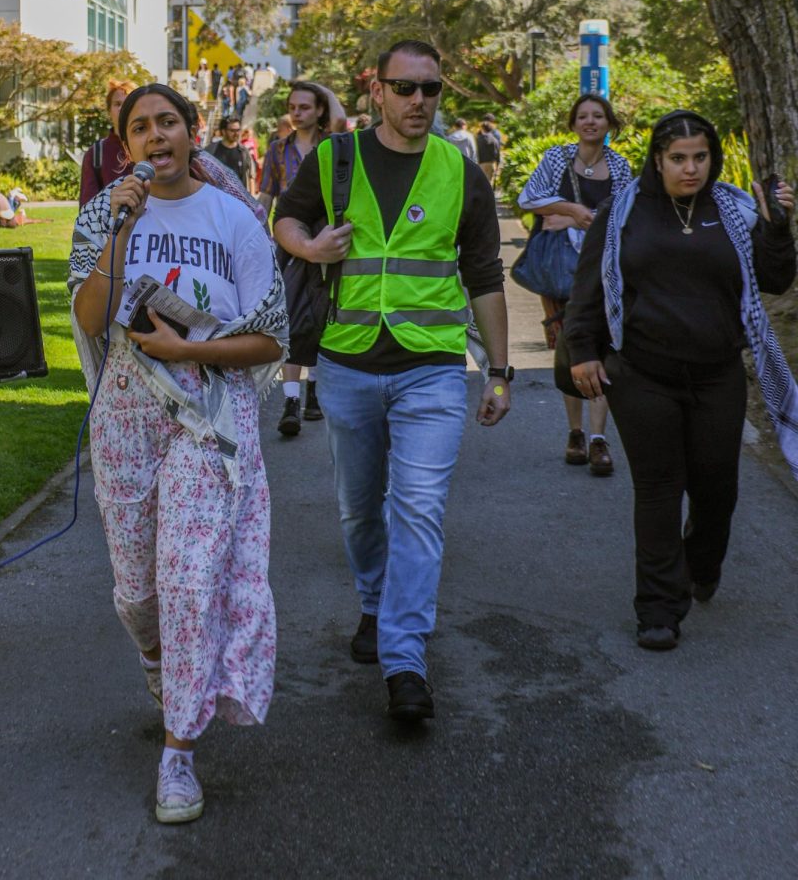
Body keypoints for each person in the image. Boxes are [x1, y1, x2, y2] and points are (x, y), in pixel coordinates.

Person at [68, 83, 288, 823]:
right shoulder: (107, 212)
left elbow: (271, 338)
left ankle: (179, 753)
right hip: (127, 416)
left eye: (168, 123)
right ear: (124, 144)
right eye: (140, 128)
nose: (155, 136)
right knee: (139, 593)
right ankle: (163, 666)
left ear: (193, 134)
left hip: (209, 416)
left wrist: (191, 345)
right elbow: (91, 317)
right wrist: (121, 233)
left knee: (190, 580)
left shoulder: (235, 217)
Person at [273, 39, 511, 721]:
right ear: (375, 90)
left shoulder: (461, 173)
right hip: (346, 363)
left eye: (430, 89)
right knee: (358, 507)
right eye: (404, 88)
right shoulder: (334, 157)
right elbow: (283, 216)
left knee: (419, 507)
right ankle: (376, 604)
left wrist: (499, 372)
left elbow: (486, 277)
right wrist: (308, 244)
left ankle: (405, 657)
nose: (418, 101)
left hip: (432, 369)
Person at [565, 110, 796, 651]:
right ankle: (658, 608)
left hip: (717, 374)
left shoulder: (736, 209)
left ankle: (702, 561)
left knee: (717, 487)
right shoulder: (621, 212)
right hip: (642, 372)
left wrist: (778, 228)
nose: (690, 168)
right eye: (678, 158)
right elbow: (589, 287)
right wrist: (582, 350)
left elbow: (777, 279)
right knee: (659, 488)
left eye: (700, 157)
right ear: (657, 159)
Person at [518, 94, 633, 474]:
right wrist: (571, 209)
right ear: (573, 124)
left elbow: (627, 216)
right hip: (559, 271)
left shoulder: (619, 166)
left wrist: (571, 218)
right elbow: (528, 198)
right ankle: (575, 432)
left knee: (601, 347)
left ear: (609, 123)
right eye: (582, 116)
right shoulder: (556, 159)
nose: (590, 122)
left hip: (605, 270)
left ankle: (599, 438)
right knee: (568, 349)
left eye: (597, 116)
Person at [258, 80, 346, 437]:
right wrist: (256, 235)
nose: (297, 113)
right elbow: (266, 195)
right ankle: (291, 400)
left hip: (326, 238)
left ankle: (314, 393)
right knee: (292, 317)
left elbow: (340, 120)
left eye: (306, 106)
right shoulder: (277, 149)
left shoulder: (331, 145)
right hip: (289, 243)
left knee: (325, 317)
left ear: (320, 110)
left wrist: (321, 89)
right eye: (293, 107)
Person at [80, 79, 136, 208]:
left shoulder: (150, 147)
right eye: (117, 104)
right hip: (110, 226)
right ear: (109, 110)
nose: (122, 108)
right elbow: (88, 209)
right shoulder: (96, 154)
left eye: (128, 103)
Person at [208, 116, 252, 188]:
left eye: (238, 130)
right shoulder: (211, 150)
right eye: (232, 130)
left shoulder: (243, 152)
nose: (236, 133)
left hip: (237, 197)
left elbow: (251, 176)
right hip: (217, 196)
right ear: (223, 131)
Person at [476, 116, 502, 186]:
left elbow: (476, 151)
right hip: (491, 163)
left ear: (483, 129)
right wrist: (498, 163)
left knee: (481, 183)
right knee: (490, 183)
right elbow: (497, 152)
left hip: (481, 163)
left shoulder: (478, 139)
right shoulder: (494, 140)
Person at [240, 126, 261, 193]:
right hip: (245, 160)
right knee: (247, 175)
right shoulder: (242, 142)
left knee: (253, 175)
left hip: (253, 159)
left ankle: (254, 191)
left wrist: (257, 159)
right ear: (245, 134)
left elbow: (255, 151)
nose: (249, 136)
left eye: (251, 134)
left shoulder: (253, 141)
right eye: (248, 134)